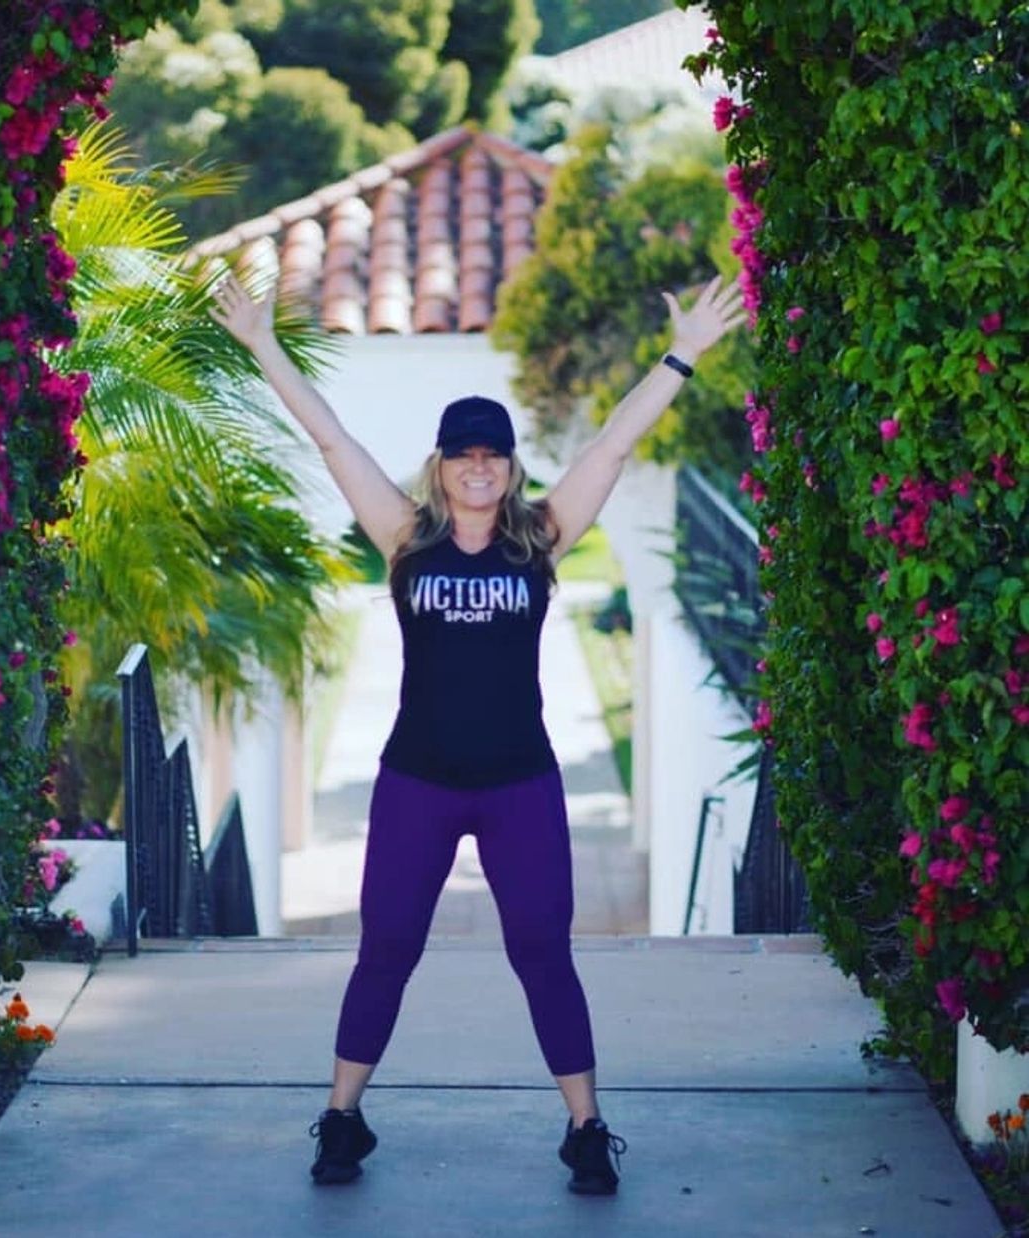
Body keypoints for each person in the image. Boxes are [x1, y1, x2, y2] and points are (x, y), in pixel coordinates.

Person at [212, 272, 744, 1195]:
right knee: (387, 950)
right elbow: (333, 440)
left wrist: (683, 354)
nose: (478, 466)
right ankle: (340, 1119)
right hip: (417, 781)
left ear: (509, 466)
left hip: (518, 784)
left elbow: (613, 445)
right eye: (462, 454)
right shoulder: (405, 539)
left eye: (492, 454)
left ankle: (586, 1129)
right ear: (441, 465)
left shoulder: (539, 539)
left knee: (543, 952)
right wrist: (262, 344)